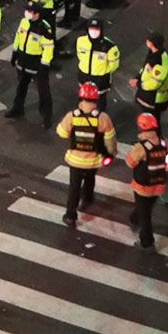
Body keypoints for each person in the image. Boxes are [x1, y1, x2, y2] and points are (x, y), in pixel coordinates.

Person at [57, 83, 116, 228]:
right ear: (96, 99)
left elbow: (62, 133)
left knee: (74, 188)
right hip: (93, 160)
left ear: (80, 97)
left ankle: (70, 216)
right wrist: (111, 154)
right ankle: (87, 199)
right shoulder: (103, 118)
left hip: (75, 160)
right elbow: (110, 140)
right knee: (90, 178)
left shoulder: (72, 116)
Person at [126, 111, 168, 249]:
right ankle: (134, 218)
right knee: (145, 207)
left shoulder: (142, 147)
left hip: (143, 186)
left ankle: (147, 242)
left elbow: (130, 162)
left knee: (145, 214)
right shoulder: (164, 143)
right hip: (159, 183)